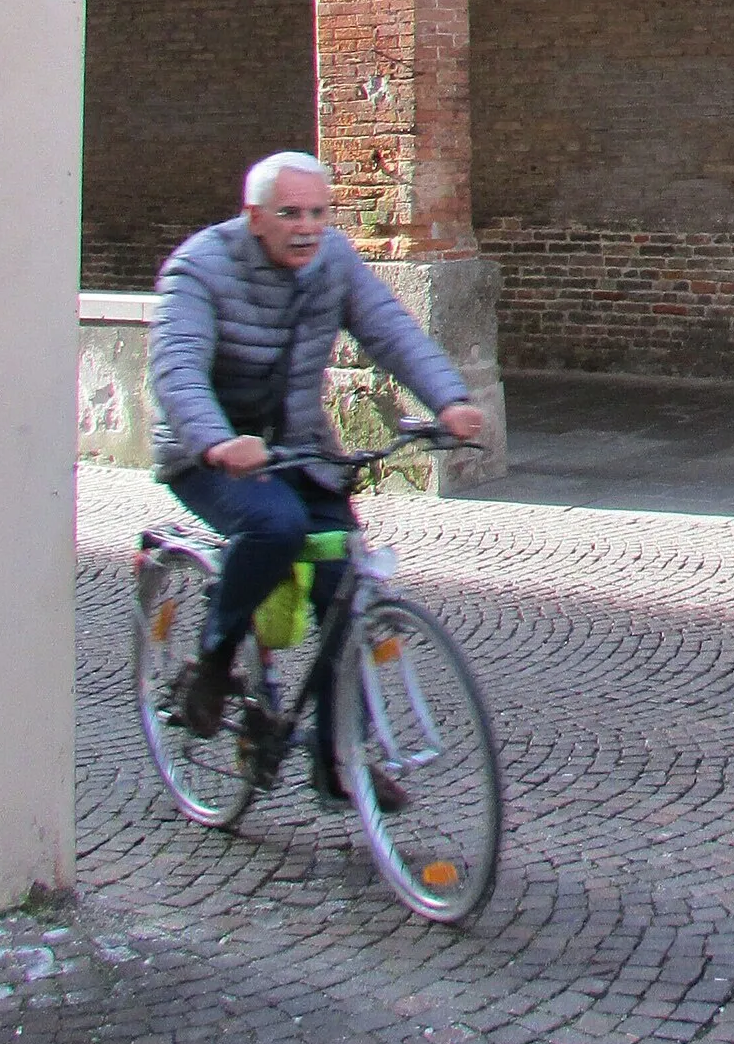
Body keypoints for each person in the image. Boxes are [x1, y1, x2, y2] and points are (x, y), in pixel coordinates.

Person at [150, 150, 485, 795]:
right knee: (274, 525)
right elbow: (178, 370)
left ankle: (340, 760)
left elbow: (388, 329)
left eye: (318, 213)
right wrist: (218, 443)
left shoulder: (332, 259)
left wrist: (448, 398)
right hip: (210, 454)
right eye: (289, 214)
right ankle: (214, 665)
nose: (307, 227)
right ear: (254, 218)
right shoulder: (199, 268)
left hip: (302, 450)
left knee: (343, 585)